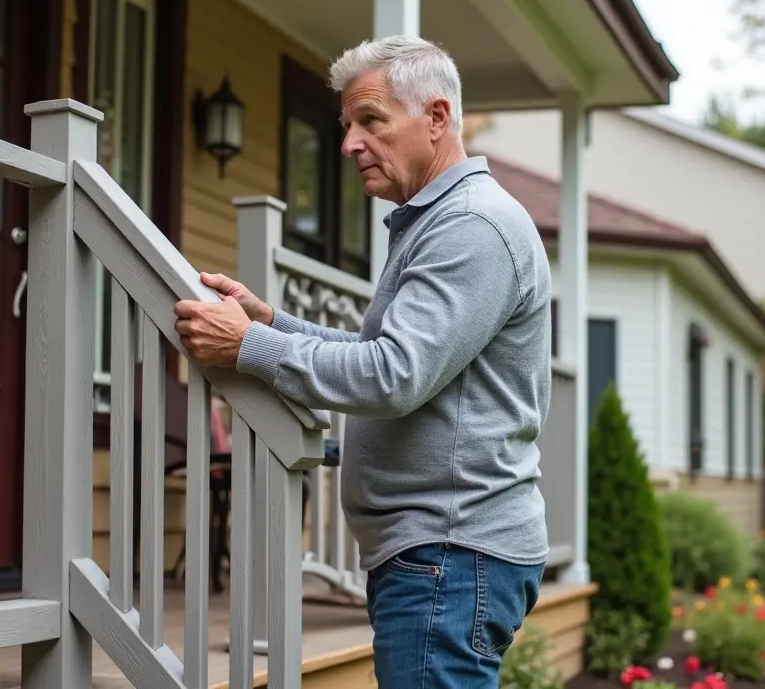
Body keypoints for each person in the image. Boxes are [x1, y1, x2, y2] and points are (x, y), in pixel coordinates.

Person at [174, 34, 551, 688]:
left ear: (436, 118)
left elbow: (393, 376)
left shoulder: (471, 226)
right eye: (347, 124)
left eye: (371, 120)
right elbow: (391, 358)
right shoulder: (442, 220)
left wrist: (248, 347)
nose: (349, 143)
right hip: (441, 553)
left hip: (449, 550)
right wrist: (271, 325)